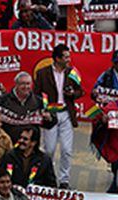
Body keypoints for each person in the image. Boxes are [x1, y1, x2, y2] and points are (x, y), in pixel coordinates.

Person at [34, 44, 84, 189]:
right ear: (57, 58)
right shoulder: (43, 73)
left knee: (67, 150)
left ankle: (64, 180)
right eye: (66, 57)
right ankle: (47, 177)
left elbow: (80, 91)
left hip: (66, 113)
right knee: (49, 150)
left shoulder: (72, 72)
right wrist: (43, 111)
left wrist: (72, 94)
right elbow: (37, 94)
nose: (69, 59)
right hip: (51, 115)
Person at [0, 71, 43, 143]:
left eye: (28, 84)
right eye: (22, 84)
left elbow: (50, 124)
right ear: (16, 84)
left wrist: (49, 118)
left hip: (31, 146)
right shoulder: (3, 100)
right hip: (10, 144)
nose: (26, 87)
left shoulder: (38, 101)